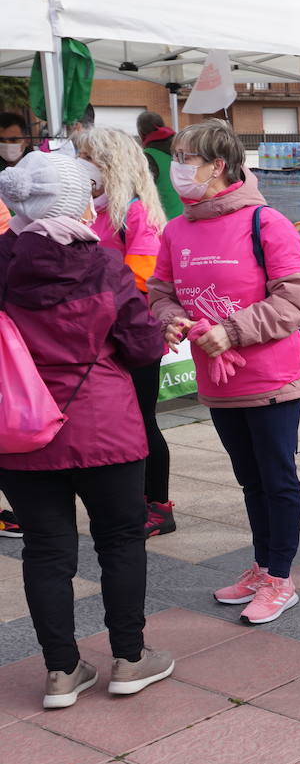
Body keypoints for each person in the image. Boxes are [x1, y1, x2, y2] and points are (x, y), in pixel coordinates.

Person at [0, 151, 173, 708]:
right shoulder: (101, 266)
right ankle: (129, 658)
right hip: (105, 427)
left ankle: (61, 672)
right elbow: (143, 348)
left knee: (46, 550)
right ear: (77, 202)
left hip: (20, 428)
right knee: (121, 541)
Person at [148, 119, 300, 626]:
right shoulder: (177, 229)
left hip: (270, 379)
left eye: (185, 158)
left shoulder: (266, 223)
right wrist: (169, 317)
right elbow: (160, 291)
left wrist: (233, 330)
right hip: (217, 381)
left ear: (217, 165)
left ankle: (281, 579)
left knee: (277, 478)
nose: (177, 170)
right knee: (249, 480)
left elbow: (295, 299)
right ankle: (263, 566)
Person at [74, 126, 176, 538]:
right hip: (100, 335)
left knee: (143, 421)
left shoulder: (135, 213)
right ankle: (133, 500)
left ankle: (159, 505)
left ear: (110, 165)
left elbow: (140, 279)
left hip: (131, 336)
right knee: (122, 422)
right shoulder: (94, 211)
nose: (82, 166)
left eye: (90, 158)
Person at [136, 111, 184, 221]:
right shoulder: (181, 148)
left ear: (140, 133)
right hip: (186, 218)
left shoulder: (147, 156)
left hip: (164, 222)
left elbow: (141, 193)